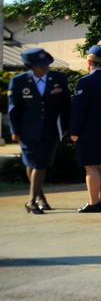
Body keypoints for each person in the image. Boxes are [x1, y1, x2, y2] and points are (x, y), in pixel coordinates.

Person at [9, 48, 72, 214]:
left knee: (40, 163)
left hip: (51, 128)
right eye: (41, 66)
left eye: (47, 65)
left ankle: (34, 199)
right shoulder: (19, 81)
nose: (46, 68)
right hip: (27, 130)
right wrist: (15, 130)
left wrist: (66, 126)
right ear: (32, 67)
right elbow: (13, 109)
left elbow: (65, 105)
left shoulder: (58, 78)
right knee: (33, 163)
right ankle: (37, 198)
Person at [69, 45, 101, 213]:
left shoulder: (84, 82)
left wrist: (74, 131)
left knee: (91, 167)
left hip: (88, 131)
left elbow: (79, 110)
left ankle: (93, 203)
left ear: (89, 62)